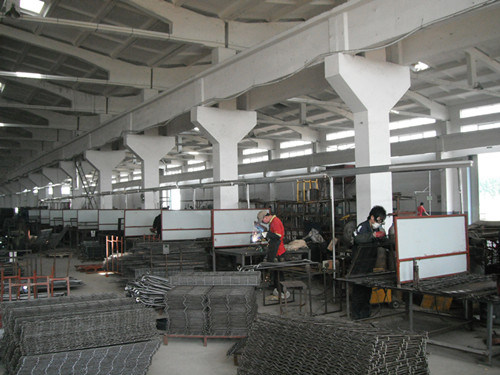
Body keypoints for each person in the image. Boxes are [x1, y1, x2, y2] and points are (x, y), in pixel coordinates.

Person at [350, 205, 387, 320]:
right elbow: (357, 238)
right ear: (372, 217)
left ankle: (365, 314)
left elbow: (383, 241)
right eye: (378, 220)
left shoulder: (376, 229)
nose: (379, 223)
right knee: (358, 290)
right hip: (359, 264)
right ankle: (356, 315)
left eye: (381, 221)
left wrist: (382, 236)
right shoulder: (363, 227)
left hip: (369, 264)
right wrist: (373, 235)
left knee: (367, 290)